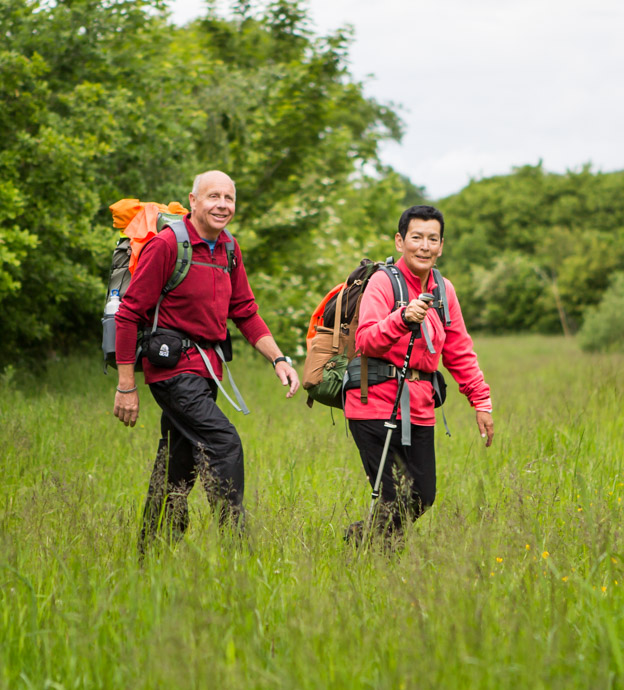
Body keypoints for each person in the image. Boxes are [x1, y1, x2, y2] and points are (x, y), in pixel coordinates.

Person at [112, 170, 301, 553]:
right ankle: (236, 544)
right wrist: (126, 385)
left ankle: (152, 551)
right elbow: (129, 314)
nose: (222, 205)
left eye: (229, 198)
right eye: (213, 196)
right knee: (223, 442)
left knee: (177, 463)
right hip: (171, 370)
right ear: (193, 201)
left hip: (207, 371)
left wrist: (278, 358)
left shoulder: (229, 248)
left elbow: (245, 311)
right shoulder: (167, 245)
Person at [344, 205, 495, 546]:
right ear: (400, 241)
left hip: (420, 407)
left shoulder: (444, 290)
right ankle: (378, 560)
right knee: (391, 497)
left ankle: (359, 540)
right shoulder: (383, 282)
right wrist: (402, 319)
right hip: (373, 404)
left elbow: (459, 350)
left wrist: (481, 401)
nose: (424, 246)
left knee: (422, 496)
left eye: (432, 239)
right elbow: (366, 340)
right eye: (416, 238)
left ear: (441, 246)